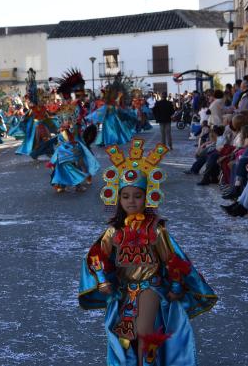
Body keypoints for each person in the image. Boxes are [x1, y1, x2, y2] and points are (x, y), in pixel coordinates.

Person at [79, 139, 216, 366]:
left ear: (147, 197)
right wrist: (102, 280)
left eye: (137, 195)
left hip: (151, 287)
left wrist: (174, 286)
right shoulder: (113, 231)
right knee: (127, 338)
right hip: (124, 291)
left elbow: (172, 260)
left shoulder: (156, 230)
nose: (131, 201)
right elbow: (97, 256)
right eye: (126, 196)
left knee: (144, 332)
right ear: (118, 198)